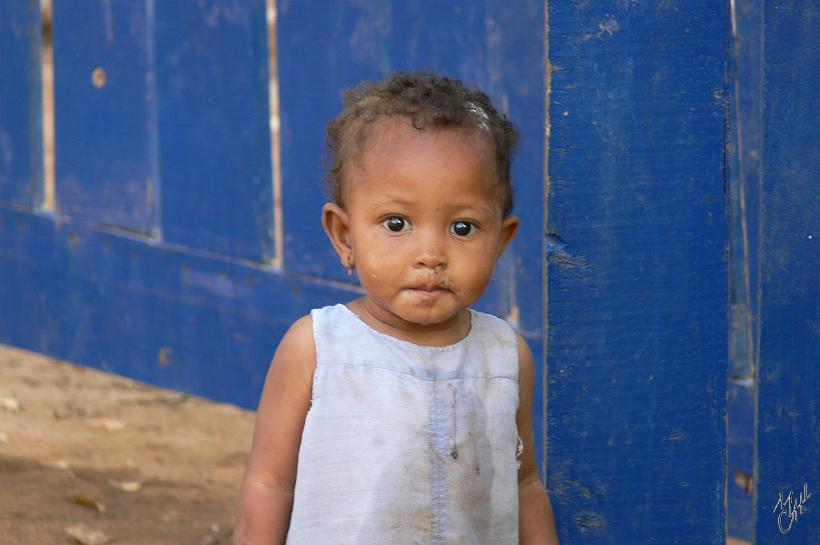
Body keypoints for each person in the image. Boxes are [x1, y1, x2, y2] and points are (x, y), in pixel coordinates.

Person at [234, 71, 559, 545]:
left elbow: (525, 484)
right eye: (396, 222)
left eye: (463, 228)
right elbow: (268, 485)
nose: (431, 253)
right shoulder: (318, 349)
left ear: (502, 240)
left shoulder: (505, 358)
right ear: (345, 236)